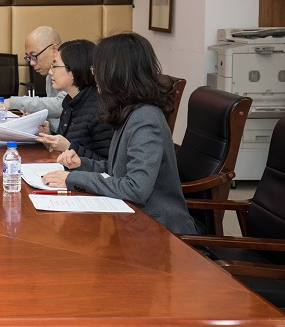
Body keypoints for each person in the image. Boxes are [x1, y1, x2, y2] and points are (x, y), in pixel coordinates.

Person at [42, 32, 197, 234]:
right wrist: (82, 164)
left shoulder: (145, 118)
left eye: (97, 69)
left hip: (158, 231)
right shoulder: (128, 111)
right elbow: (118, 169)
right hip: (132, 220)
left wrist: (73, 179)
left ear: (116, 73)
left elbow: (136, 188)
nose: (95, 75)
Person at [33, 39, 113, 160]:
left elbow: (108, 164)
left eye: (55, 66)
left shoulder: (100, 110)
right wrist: (50, 135)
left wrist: (69, 147)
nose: (50, 72)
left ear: (74, 70)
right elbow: (70, 143)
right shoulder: (70, 102)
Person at [0, 25, 67, 130]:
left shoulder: (71, 72)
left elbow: (61, 105)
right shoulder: (49, 75)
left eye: (34, 56)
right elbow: (54, 114)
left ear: (54, 49)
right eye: (28, 57)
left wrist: (12, 102)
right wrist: (36, 116)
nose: (31, 63)